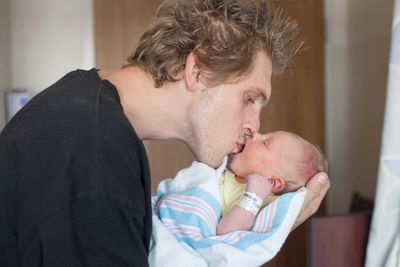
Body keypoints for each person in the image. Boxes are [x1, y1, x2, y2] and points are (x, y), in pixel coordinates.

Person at [0, 0, 330, 266]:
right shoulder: (93, 148)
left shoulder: (87, 114)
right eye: (250, 98)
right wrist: (250, 246)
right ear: (196, 71)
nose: (254, 126)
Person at [217, 131, 327, 235]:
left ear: (272, 182)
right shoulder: (230, 171)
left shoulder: (262, 203)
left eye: (265, 143)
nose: (256, 134)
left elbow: (228, 234)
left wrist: (253, 196)